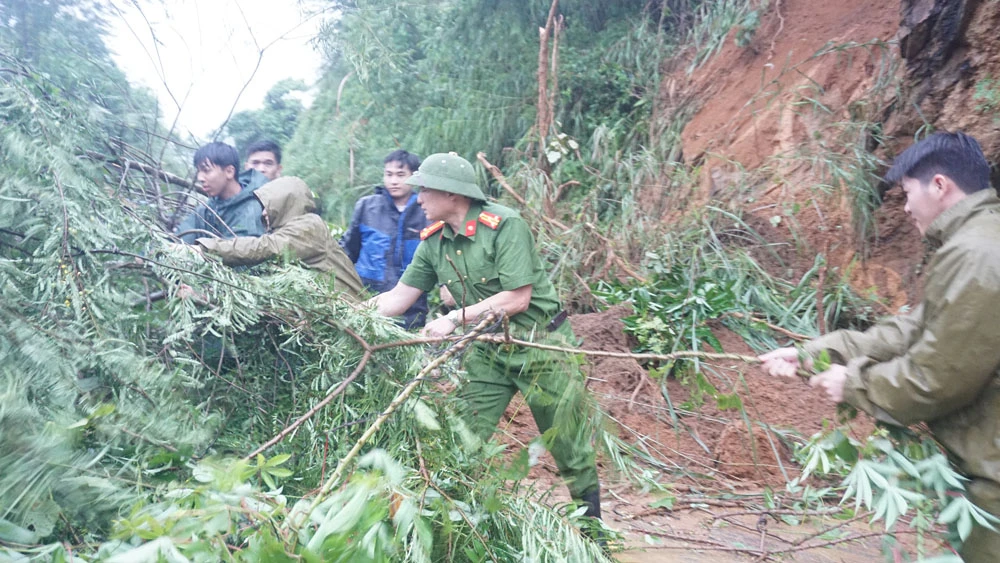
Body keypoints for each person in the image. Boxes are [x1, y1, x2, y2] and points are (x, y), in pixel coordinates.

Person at [759, 132, 1000, 562]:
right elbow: (915, 330)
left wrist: (856, 385)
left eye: (908, 193)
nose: (905, 207)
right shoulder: (976, 242)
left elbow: (940, 377)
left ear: (940, 186)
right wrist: (817, 354)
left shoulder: (978, 254)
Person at [369, 152, 603, 528]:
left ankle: (594, 538)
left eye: (424, 189)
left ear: (453, 195)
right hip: (489, 350)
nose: (418, 198)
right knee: (463, 438)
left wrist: (452, 318)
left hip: (541, 347)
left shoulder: (505, 226)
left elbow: (517, 298)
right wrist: (348, 314)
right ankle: (461, 528)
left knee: (570, 447)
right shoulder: (433, 241)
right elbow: (398, 298)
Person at [194, 176, 364, 300]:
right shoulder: (289, 232)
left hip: (350, 315)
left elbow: (264, 248)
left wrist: (205, 249)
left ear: (286, 203)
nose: (264, 212)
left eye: (269, 205)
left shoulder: (310, 226)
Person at [341, 150, 429, 328]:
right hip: (366, 298)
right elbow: (347, 250)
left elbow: (438, 256)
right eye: (388, 174)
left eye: (401, 175)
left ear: (415, 177)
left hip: (411, 307)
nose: (393, 181)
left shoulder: (426, 212)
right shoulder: (366, 207)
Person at [175, 142, 269, 244]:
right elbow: (179, 239)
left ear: (229, 171)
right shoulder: (207, 209)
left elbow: (239, 251)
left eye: (206, 170)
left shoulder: (252, 208)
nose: (200, 178)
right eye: (199, 171)